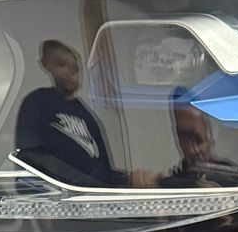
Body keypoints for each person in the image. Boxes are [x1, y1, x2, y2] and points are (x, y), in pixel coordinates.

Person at [15, 39, 158, 189]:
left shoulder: (87, 116)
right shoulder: (38, 103)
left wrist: (131, 180)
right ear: (46, 66)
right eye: (61, 65)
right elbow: (30, 162)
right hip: (55, 199)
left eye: (76, 68)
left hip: (93, 199)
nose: (71, 73)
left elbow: (103, 174)